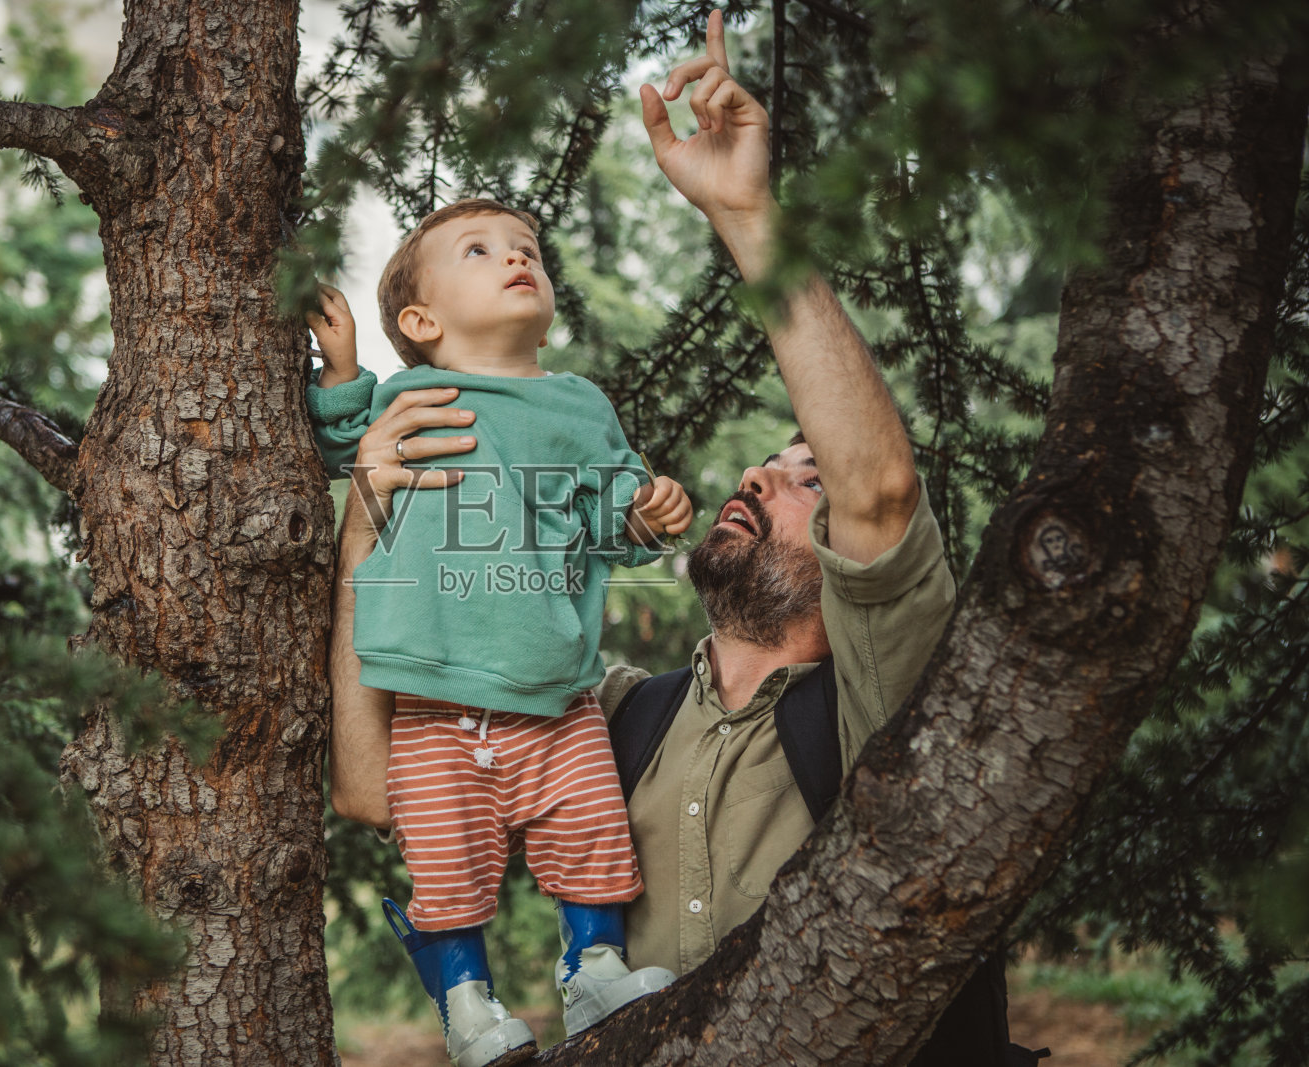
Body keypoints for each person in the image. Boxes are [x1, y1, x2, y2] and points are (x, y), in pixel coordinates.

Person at [322, 11, 1035, 1063]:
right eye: (762, 461)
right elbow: (374, 785)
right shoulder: (616, 715)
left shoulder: (895, 708)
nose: (757, 472)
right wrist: (370, 519)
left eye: (804, 477)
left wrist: (745, 211)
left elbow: (877, 484)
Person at [306, 200, 692, 1067]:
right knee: (448, 865)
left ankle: (594, 967)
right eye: (480, 251)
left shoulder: (580, 406)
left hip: (556, 689)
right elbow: (344, 444)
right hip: (431, 694)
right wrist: (340, 371)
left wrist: (648, 511)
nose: (518, 259)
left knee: (593, 832)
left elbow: (612, 519)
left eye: (529, 250)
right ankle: (467, 1006)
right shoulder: (412, 393)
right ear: (421, 320)